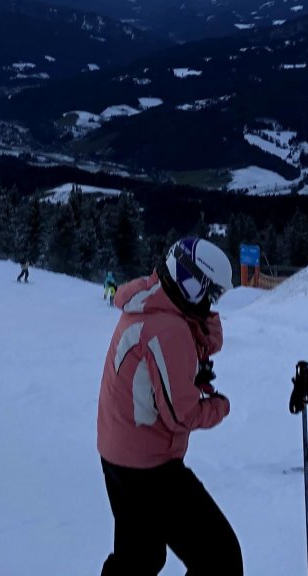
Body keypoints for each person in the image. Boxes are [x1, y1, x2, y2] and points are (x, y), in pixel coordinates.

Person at [96, 237, 243, 574]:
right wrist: (219, 405)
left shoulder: (149, 299)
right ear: (191, 284)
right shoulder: (167, 328)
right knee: (220, 558)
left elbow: (182, 355)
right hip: (148, 466)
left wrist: (188, 370)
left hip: (118, 452)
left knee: (140, 557)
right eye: (211, 293)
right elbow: (182, 415)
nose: (212, 303)